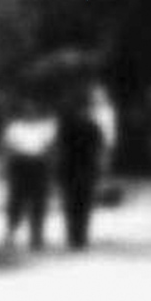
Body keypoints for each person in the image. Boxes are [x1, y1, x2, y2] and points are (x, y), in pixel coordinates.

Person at [1, 95, 59, 251]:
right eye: (27, 110)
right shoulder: (15, 127)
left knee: (39, 201)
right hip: (20, 164)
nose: (30, 112)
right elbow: (8, 147)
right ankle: (11, 232)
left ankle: (37, 236)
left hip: (39, 165)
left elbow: (50, 147)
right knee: (16, 200)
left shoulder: (45, 127)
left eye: (33, 109)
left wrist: (49, 163)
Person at [56, 88, 103, 250]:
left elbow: (98, 149)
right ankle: (75, 236)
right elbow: (61, 149)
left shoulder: (91, 127)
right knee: (74, 205)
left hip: (82, 169)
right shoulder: (72, 127)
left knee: (82, 204)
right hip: (73, 169)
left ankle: (79, 236)